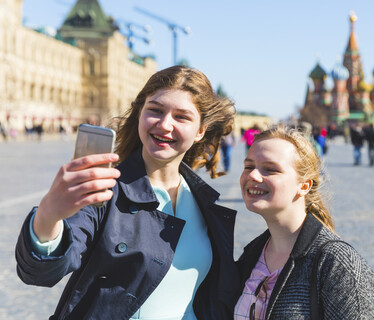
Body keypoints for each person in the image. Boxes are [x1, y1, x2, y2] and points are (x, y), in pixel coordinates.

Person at [15, 66, 239, 319]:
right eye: (155, 110)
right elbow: (42, 272)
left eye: (182, 117)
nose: (165, 125)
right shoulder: (105, 189)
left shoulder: (204, 203)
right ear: (140, 114)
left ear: (200, 130)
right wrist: (48, 216)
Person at [234, 125, 374, 319]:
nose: (252, 175)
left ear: (303, 185)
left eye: (270, 169)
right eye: (249, 166)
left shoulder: (336, 264)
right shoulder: (252, 254)